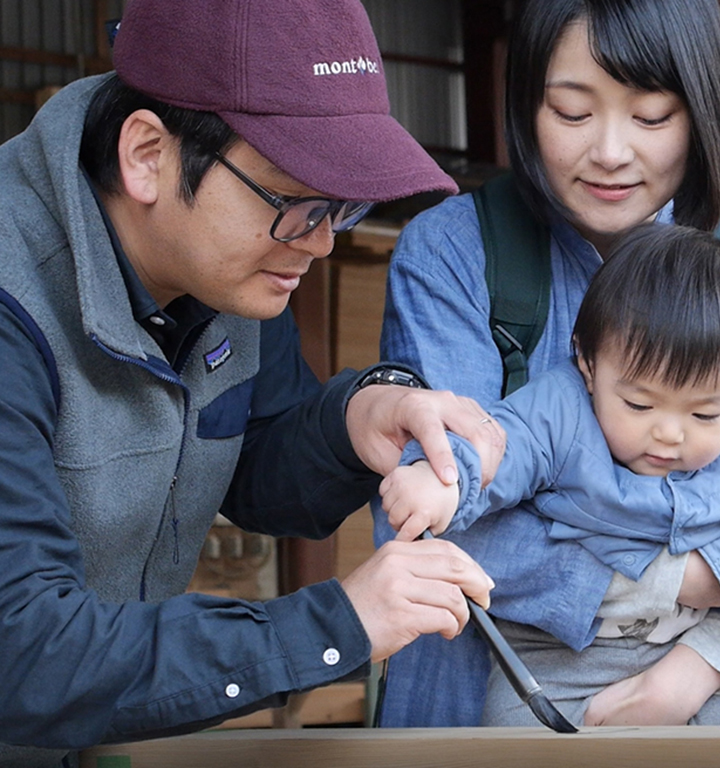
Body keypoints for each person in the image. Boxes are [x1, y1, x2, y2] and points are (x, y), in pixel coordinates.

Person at [0, 1, 506, 765]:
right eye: (295, 202)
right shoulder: (14, 302)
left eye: (341, 206)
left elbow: (254, 461)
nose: (324, 241)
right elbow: (23, 646)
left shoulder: (226, 268)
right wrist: (338, 626)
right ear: (146, 155)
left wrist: (359, 417)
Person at [374, 0, 720, 727]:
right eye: (572, 113)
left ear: (701, 108)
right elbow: (435, 517)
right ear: (526, 103)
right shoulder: (454, 254)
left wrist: (702, 658)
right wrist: (682, 580)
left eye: (651, 118)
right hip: (490, 694)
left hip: (717, 694)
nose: (610, 152)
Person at [380, 226, 720, 727]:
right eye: (638, 403)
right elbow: (498, 447)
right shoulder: (560, 410)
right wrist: (441, 480)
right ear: (587, 363)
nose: (669, 434)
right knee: (520, 749)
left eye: (705, 415)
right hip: (555, 660)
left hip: (698, 658)